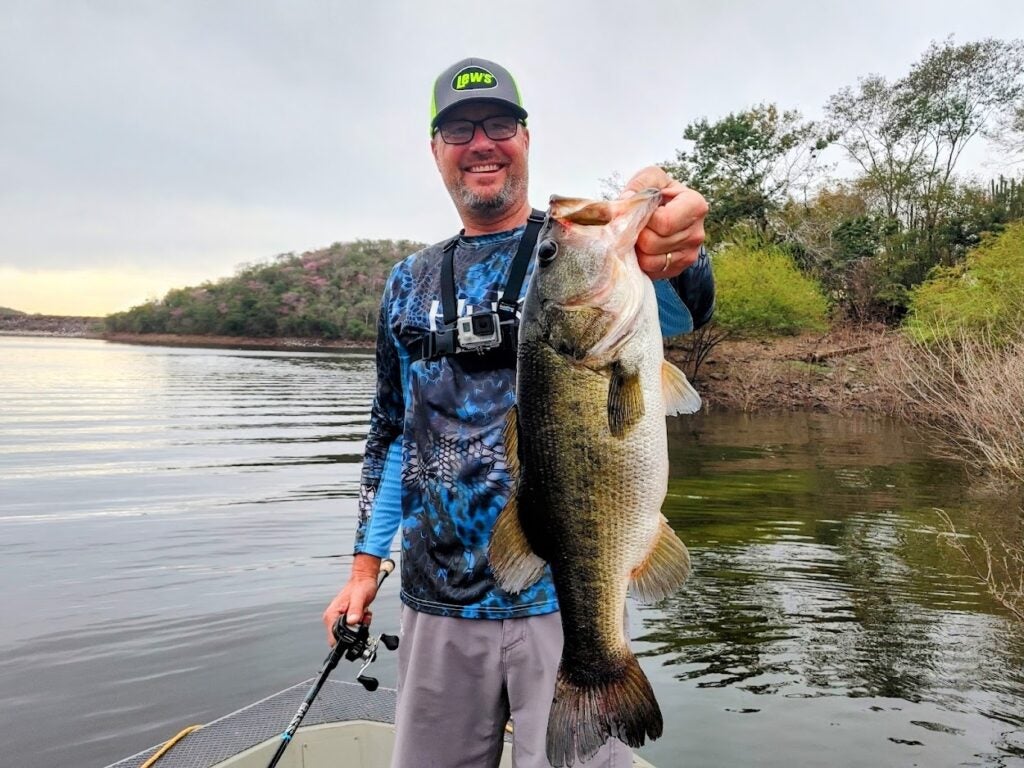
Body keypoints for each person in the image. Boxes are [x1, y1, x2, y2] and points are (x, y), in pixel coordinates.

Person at [323, 57, 714, 768]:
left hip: (564, 599)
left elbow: (684, 301)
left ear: (525, 138)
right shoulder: (408, 282)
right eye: (460, 130)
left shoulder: (582, 249)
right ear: (436, 149)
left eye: (499, 124)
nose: (481, 143)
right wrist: (363, 567)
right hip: (436, 599)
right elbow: (389, 433)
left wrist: (675, 247)